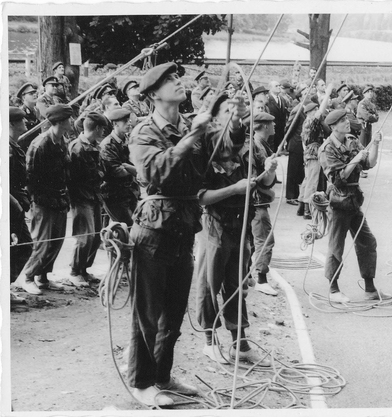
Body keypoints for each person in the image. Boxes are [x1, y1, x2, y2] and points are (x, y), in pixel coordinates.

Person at [127, 62, 208, 406]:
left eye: (177, 77)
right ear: (153, 94)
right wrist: (192, 137)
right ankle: (142, 382)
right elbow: (157, 171)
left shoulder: (189, 125)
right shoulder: (143, 133)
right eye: (169, 80)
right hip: (152, 231)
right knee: (148, 311)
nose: (178, 82)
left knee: (173, 313)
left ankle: (162, 375)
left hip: (183, 228)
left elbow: (206, 170)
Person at [195, 92, 271, 367]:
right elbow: (201, 196)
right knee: (208, 284)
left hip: (241, 224)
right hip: (215, 223)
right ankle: (209, 341)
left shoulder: (247, 146)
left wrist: (267, 174)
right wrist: (234, 189)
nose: (235, 118)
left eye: (237, 113)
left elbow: (265, 183)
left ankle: (240, 342)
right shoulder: (205, 149)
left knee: (236, 285)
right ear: (215, 118)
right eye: (228, 113)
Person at [318, 109, 389, 303]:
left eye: (346, 119)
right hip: (339, 202)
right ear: (333, 127)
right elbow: (338, 179)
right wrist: (355, 159)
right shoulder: (327, 149)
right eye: (342, 121)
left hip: (354, 201)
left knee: (367, 241)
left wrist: (374, 144)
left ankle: (370, 289)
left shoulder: (351, 140)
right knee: (336, 248)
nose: (347, 122)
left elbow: (369, 163)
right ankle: (333, 290)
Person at [21, 104, 74, 295]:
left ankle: (42, 277)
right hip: (43, 202)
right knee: (42, 242)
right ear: (59, 121)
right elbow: (30, 178)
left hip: (59, 198)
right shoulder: (40, 144)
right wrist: (38, 202)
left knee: (56, 242)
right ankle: (28, 277)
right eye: (68, 119)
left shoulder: (62, 141)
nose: (71, 121)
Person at [67, 112, 107, 287]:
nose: (103, 132)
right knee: (85, 237)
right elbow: (74, 177)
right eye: (102, 128)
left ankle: (84, 269)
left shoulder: (93, 146)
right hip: (81, 197)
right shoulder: (78, 147)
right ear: (97, 128)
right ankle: (75, 271)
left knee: (96, 236)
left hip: (93, 196)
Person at [245, 112, 279, 296]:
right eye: (272, 123)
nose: (274, 126)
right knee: (265, 240)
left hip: (257, 200)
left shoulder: (260, 144)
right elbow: (255, 179)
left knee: (251, 240)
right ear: (265, 126)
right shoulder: (256, 146)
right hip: (257, 201)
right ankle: (261, 279)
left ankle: (247, 275)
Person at [9, 107, 33, 304]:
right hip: (8, 208)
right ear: (11, 124)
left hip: (16, 207)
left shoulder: (14, 146)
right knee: (16, 247)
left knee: (24, 246)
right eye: (20, 121)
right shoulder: (6, 147)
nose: (25, 125)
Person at [100, 108, 140, 226]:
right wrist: (134, 169)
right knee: (127, 227)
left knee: (134, 226)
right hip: (115, 195)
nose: (129, 123)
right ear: (115, 124)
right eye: (125, 121)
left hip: (130, 191)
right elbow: (118, 171)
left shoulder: (128, 140)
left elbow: (137, 161)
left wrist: (127, 166)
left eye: (129, 120)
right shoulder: (108, 145)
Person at [299, 84, 333, 219]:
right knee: (312, 180)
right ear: (309, 112)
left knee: (307, 179)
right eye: (315, 109)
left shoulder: (306, 122)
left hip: (308, 152)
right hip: (314, 152)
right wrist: (328, 94)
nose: (317, 111)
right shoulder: (311, 121)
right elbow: (321, 112)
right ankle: (308, 209)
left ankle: (302, 205)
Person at [284, 94, 307, 209]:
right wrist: (287, 141)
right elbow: (289, 128)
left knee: (299, 171)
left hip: (301, 145)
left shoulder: (305, 108)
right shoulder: (297, 110)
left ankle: (296, 194)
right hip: (295, 144)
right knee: (292, 172)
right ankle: (290, 196)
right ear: (301, 97)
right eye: (305, 92)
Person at [356, 86, 379, 177]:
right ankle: (359, 170)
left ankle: (362, 167)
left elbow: (376, 117)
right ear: (364, 94)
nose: (370, 93)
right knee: (361, 148)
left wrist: (372, 116)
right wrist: (372, 116)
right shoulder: (362, 104)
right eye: (368, 92)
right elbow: (366, 116)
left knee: (367, 147)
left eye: (371, 91)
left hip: (368, 127)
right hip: (362, 126)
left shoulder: (372, 105)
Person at [16, 82, 42, 150]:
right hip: (26, 147)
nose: (35, 95)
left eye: (35, 92)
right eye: (31, 94)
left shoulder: (36, 110)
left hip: (36, 145)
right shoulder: (21, 113)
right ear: (24, 97)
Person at [265, 80, 288, 152]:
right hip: (272, 129)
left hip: (281, 130)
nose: (279, 87)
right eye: (276, 86)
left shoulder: (283, 100)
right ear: (270, 88)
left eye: (279, 85)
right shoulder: (267, 100)